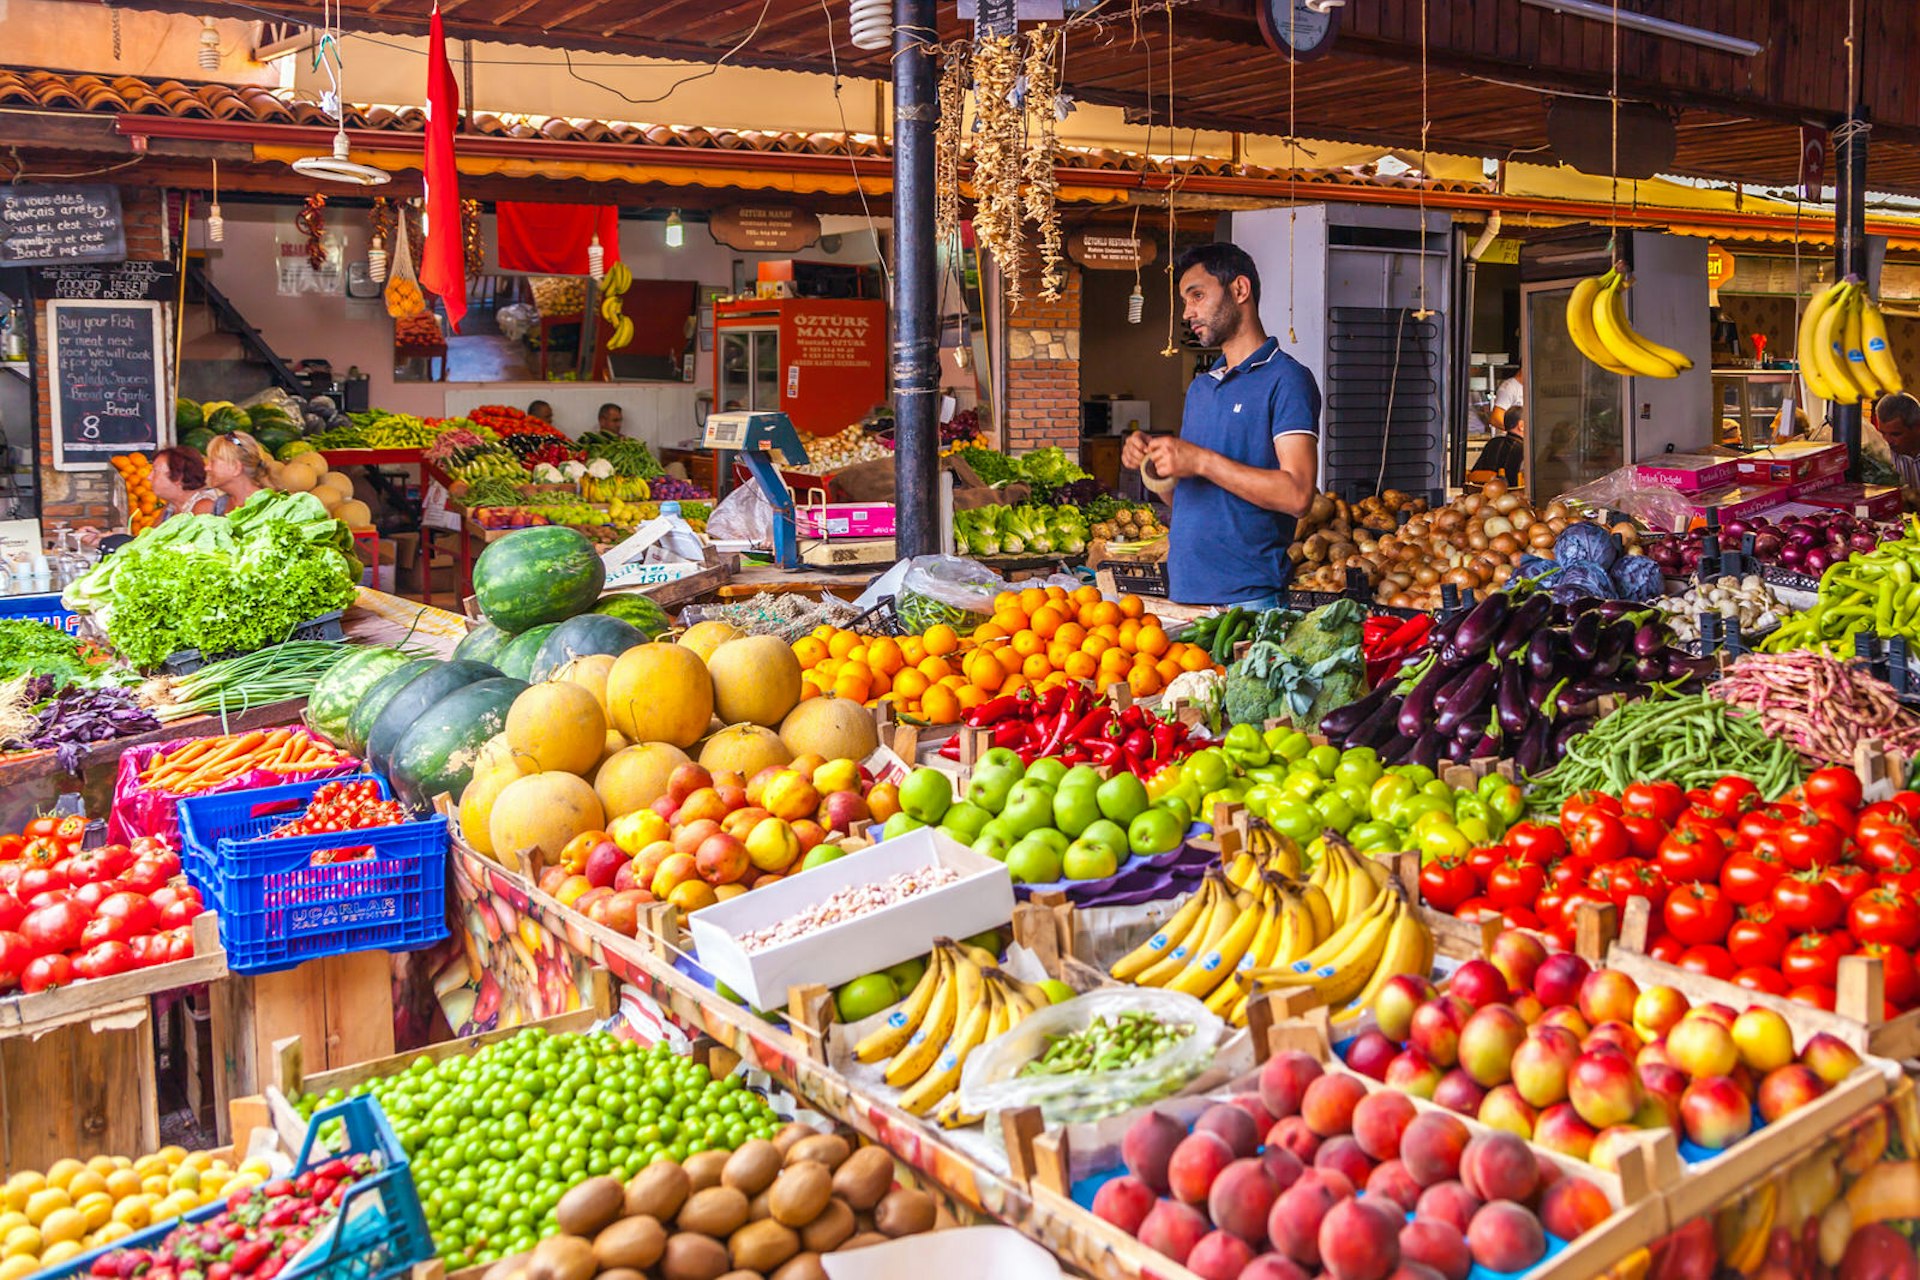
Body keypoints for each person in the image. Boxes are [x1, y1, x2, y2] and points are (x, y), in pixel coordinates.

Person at [1121, 243, 1320, 607]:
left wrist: (1199, 460)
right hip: (1184, 592)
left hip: (1249, 601)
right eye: (1185, 301)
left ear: (1239, 290)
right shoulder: (1202, 387)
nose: (1187, 313)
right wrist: (1154, 465)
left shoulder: (1287, 379)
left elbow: (1298, 496)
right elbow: (1186, 501)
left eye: (1197, 295)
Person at [204, 430, 276, 513]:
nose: (207, 468)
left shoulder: (269, 507)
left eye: (212, 462)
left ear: (236, 468)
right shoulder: (220, 505)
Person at [1875, 392, 1920, 500]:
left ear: (1918, 427)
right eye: (1882, 433)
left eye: (1895, 434)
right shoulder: (1879, 458)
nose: (1887, 440)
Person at [1469, 408, 1525, 487]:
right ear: (1521, 425)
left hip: (1483, 495)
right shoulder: (1524, 449)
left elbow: (1475, 474)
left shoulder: (1492, 443)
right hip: (1509, 496)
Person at [1491, 364, 1524, 429]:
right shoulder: (1509, 387)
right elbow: (1495, 419)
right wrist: (1515, 431)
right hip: (1510, 437)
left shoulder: (1530, 387)